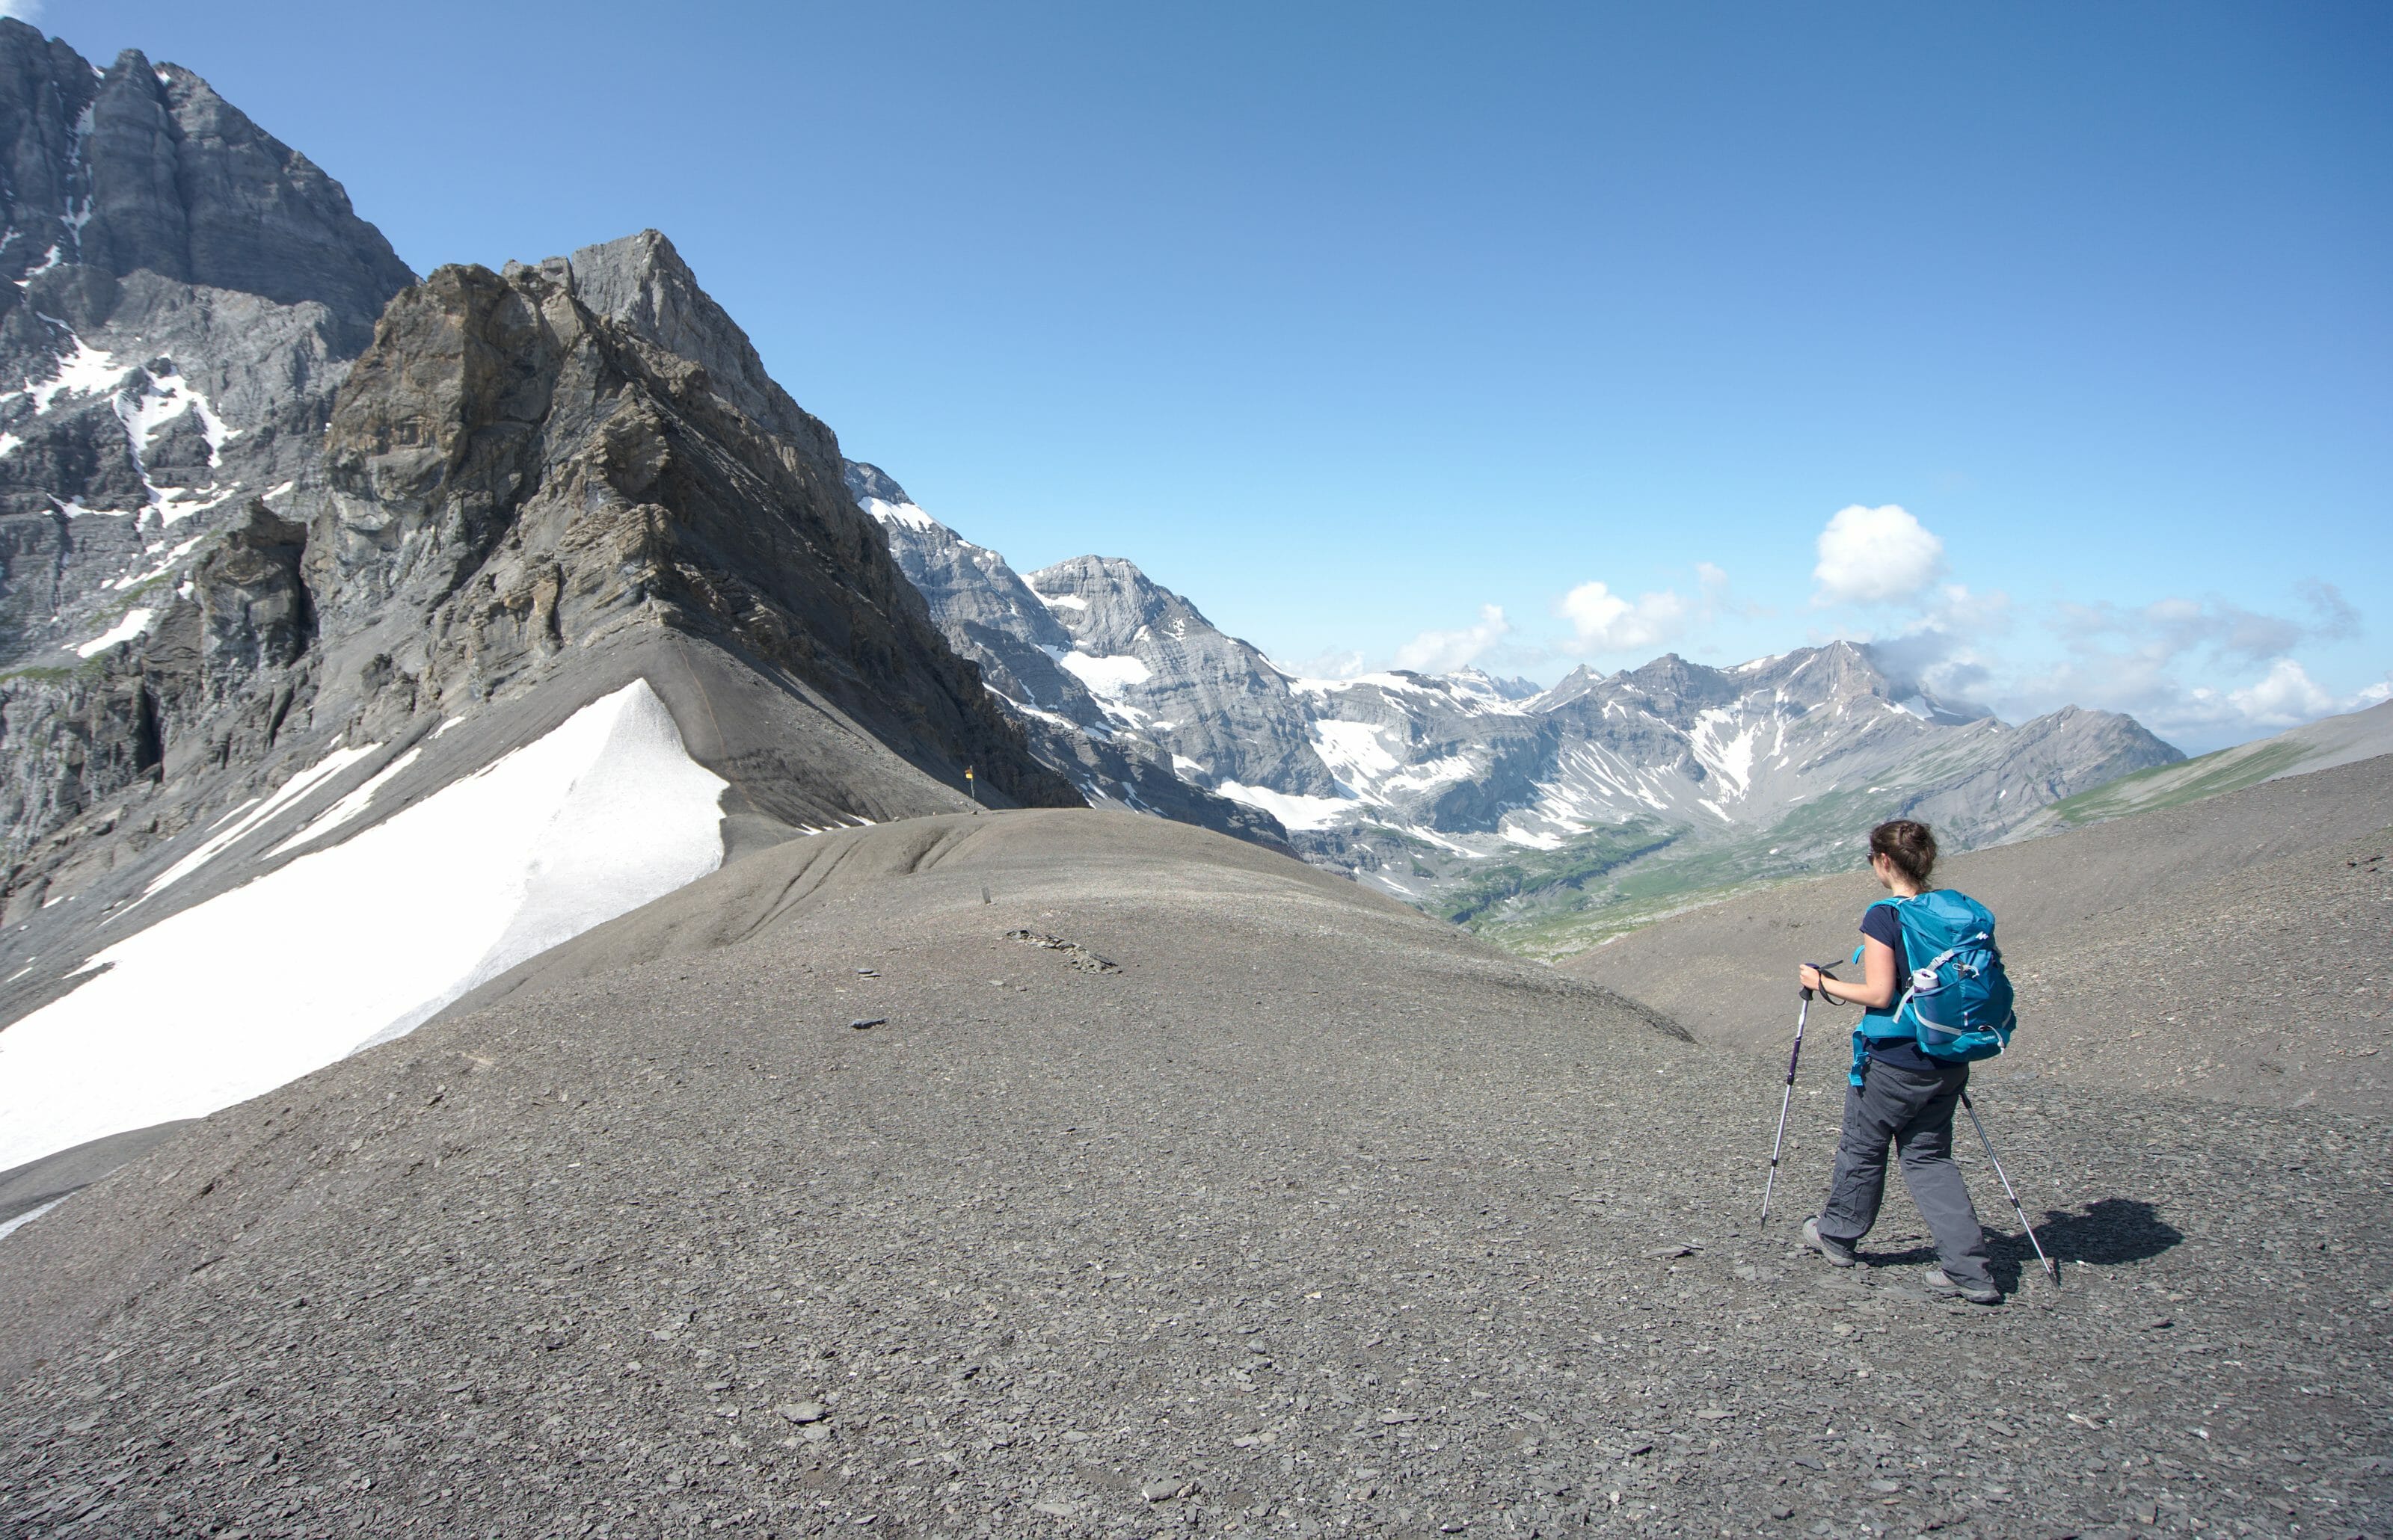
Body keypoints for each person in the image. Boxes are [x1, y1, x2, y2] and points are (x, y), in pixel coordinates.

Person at [1795, 819, 2002, 1305]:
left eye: (1872, 859)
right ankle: (1970, 1271)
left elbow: (1879, 992)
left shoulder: (1885, 916)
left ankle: (1838, 1236)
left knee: (1863, 1148)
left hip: (1893, 1061)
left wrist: (1820, 982)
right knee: (1930, 1157)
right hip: (1947, 1057)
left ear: (1884, 861)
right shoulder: (1955, 911)